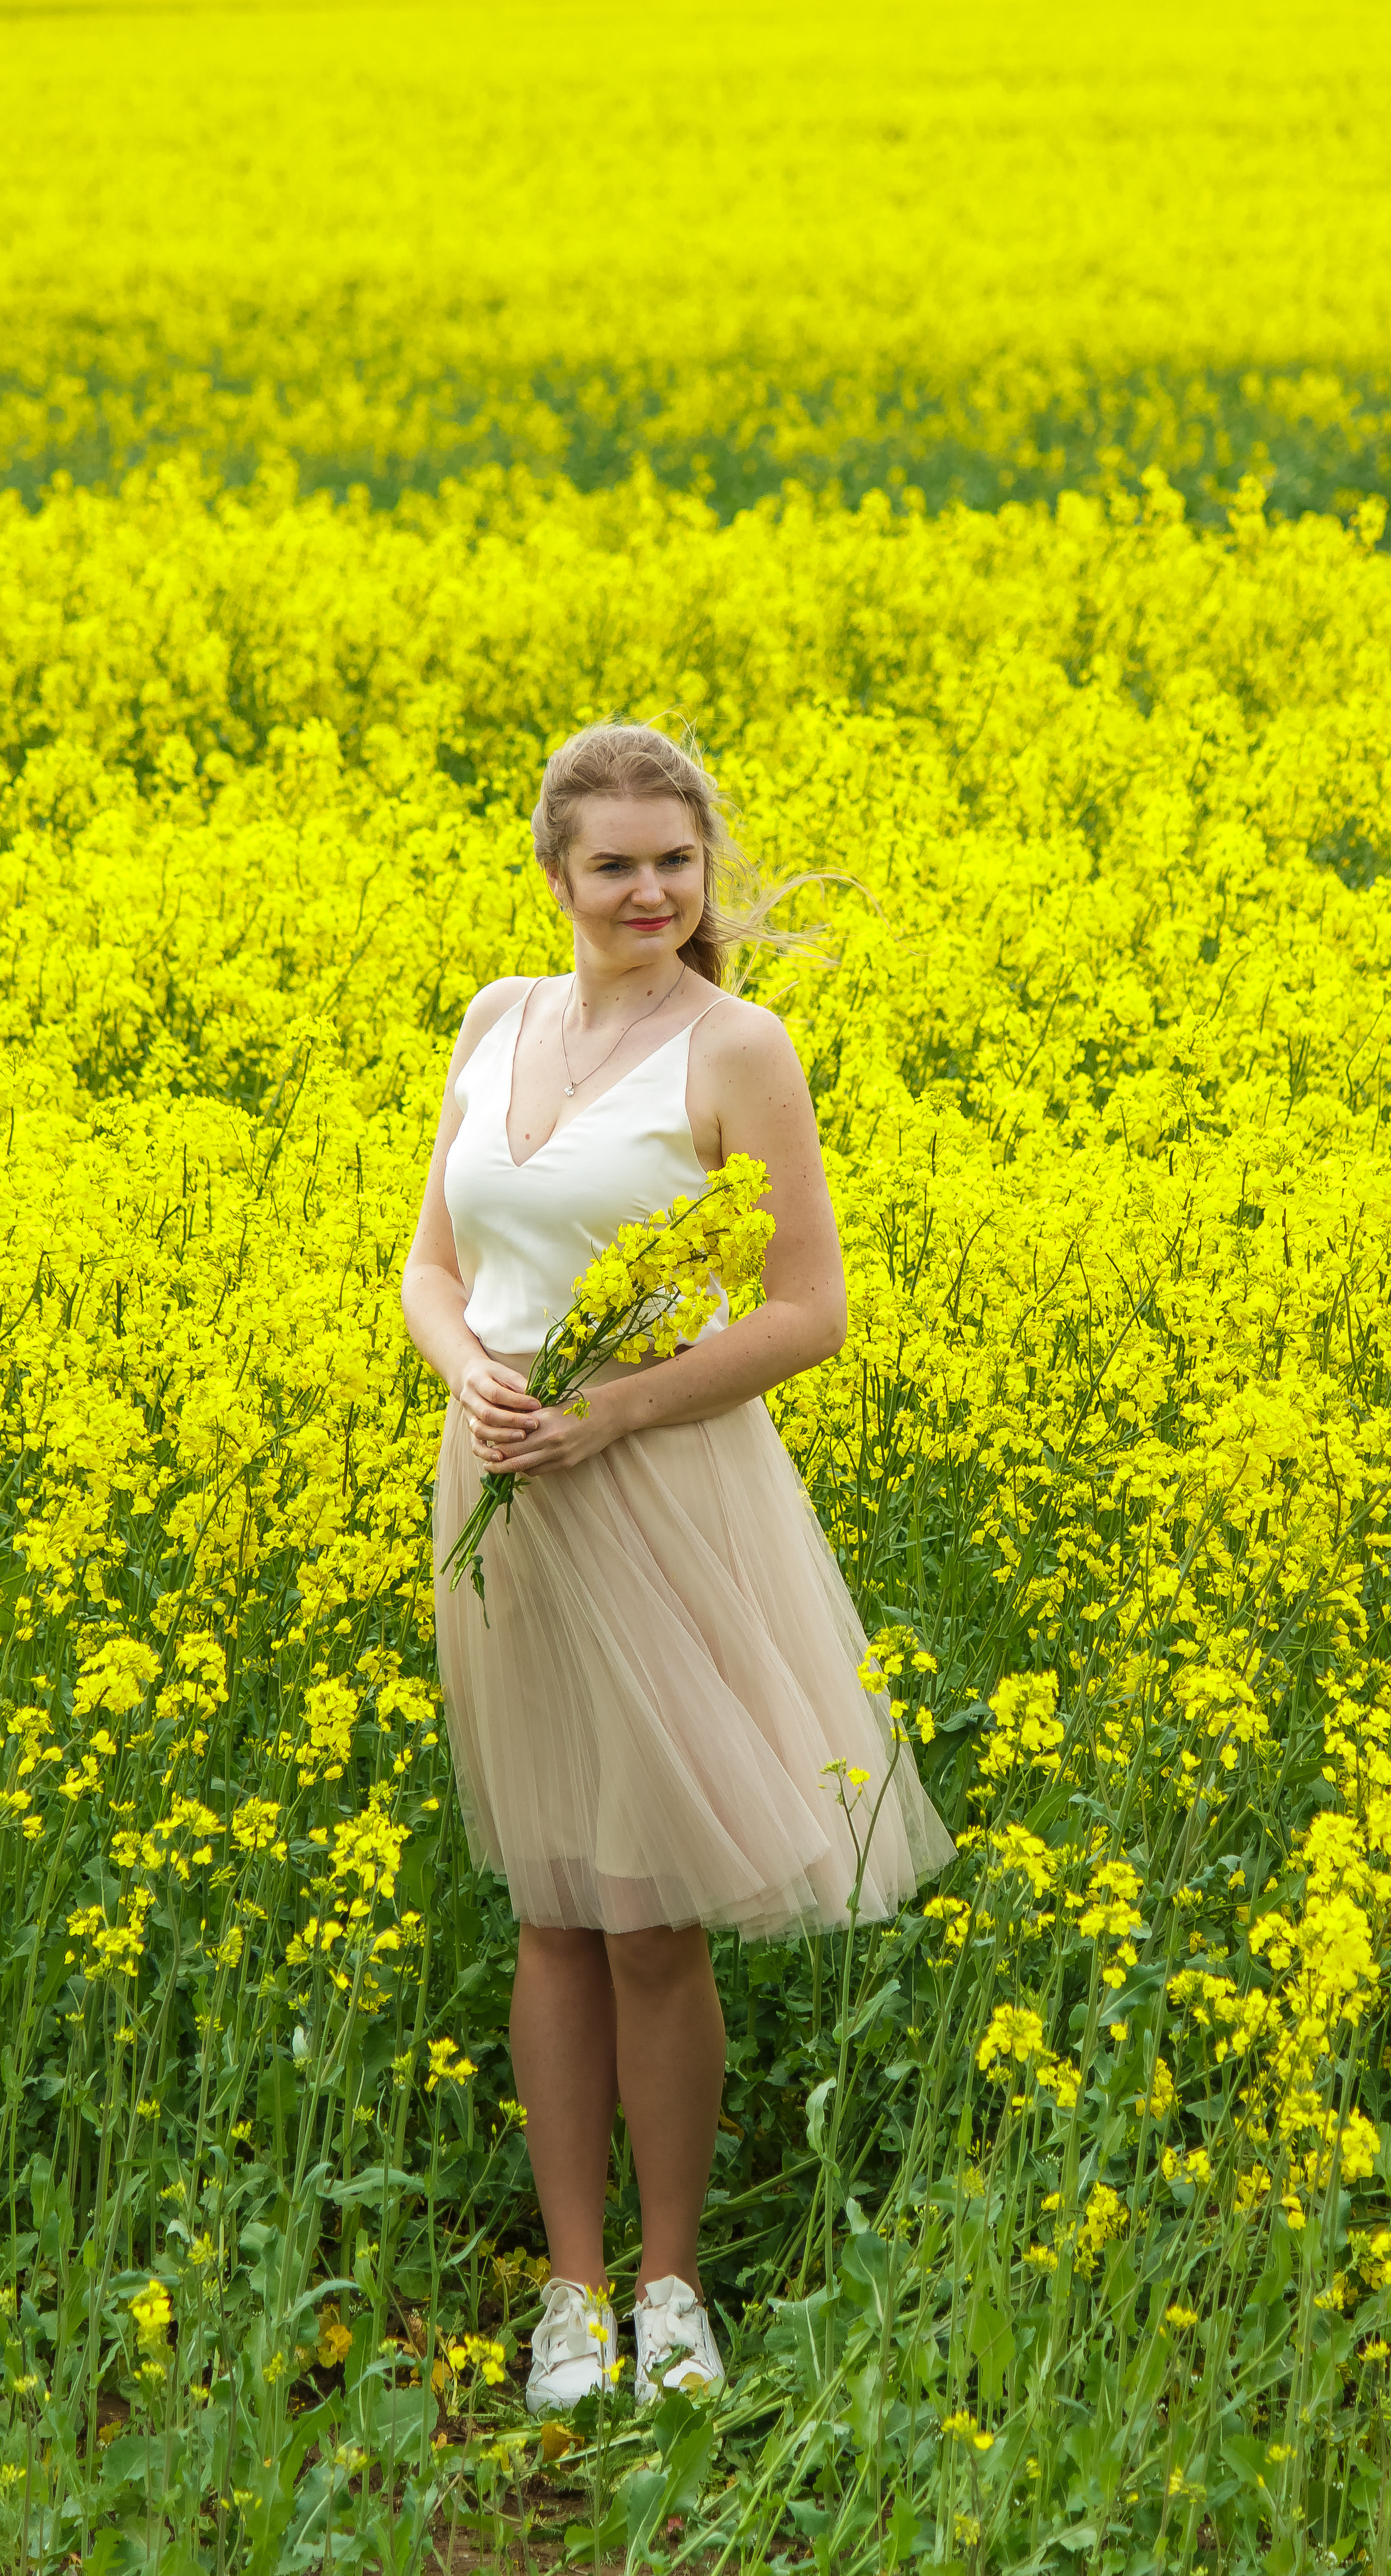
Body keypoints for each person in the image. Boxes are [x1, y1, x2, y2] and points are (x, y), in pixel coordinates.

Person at [400, 722, 954, 2414]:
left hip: (651, 1488)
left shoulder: (739, 1047)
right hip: (499, 1485)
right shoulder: (496, 1021)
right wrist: (472, 1377)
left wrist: (607, 1411)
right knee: (552, 1909)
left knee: (648, 1922)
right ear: (556, 875)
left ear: (704, 869)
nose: (649, 891)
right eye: (614, 864)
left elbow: (808, 1314)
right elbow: (428, 1267)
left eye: (676, 861)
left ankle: (669, 2288)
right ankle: (569, 2299)